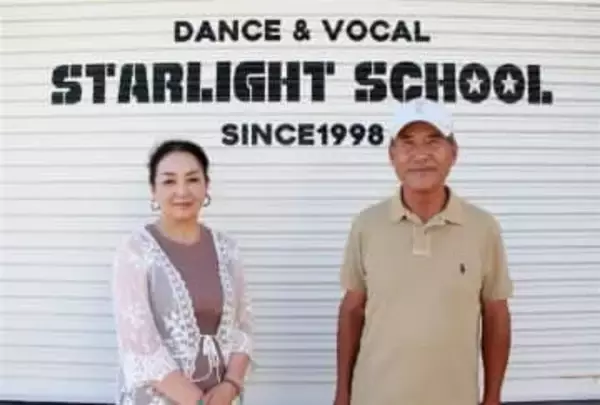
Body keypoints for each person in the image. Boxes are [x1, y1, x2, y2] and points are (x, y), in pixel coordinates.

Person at [333, 98, 514, 405]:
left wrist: (493, 397)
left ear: (453, 152)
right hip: (374, 396)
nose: (420, 155)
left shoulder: (483, 228)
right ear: (392, 155)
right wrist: (342, 393)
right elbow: (352, 310)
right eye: (408, 143)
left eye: (433, 141)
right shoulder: (367, 225)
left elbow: (496, 314)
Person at [111, 139, 254, 405]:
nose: (182, 191)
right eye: (169, 181)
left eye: (192, 179)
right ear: (153, 191)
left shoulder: (228, 250)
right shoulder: (135, 251)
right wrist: (198, 401)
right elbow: (139, 345)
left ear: (206, 186)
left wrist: (231, 385)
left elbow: (243, 328)